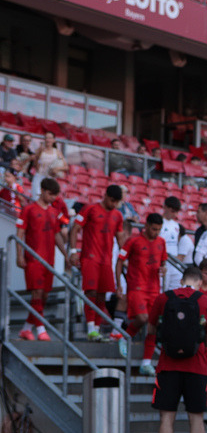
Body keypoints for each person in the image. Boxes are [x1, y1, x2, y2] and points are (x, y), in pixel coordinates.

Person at [148, 265, 207, 433]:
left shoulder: (163, 298)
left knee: (166, 419)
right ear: (199, 281)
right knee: (196, 420)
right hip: (197, 368)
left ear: (181, 280)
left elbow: (152, 331)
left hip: (167, 366)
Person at [69, 184, 126, 340]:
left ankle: (95, 329)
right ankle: (89, 328)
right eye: (112, 200)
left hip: (106, 260)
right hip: (89, 257)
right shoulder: (90, 209)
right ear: (106, 196)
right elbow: (75, 229)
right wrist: (73, 251)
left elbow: (120, 238)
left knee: (102, 294)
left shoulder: (118, 215)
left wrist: (124, 257)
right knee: (91, 292)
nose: (114, 204)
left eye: (116, 202)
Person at [115, 213, 168, 375]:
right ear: (146, 226)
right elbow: (119, 262)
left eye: (159, 230)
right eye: (153, 229)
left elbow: (163, 262)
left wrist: (163, 269)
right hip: (136, 287)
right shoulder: (133, 241)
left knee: (153, 325)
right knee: (142, 318)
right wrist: (119, 285)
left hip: (154, 289)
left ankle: (145, 363)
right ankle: (124, 337)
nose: (156, 233)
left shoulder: (161, 242)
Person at [15, 177, 67, 341]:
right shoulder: (29, 209)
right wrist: (19, 255)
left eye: (55, 196)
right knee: (37, 293)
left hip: (48, 261)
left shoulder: (53, 213)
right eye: (51, 195)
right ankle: (41, 329)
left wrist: (65, 255)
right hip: (34, 258)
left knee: (44, 295)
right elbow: (20, 234)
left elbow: (57, 235)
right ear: (43, 191)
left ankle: (26, 329)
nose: (53, 198)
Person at [29, 133, 69, 199]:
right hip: (40, 177)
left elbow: (66, 167)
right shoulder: (39, 150)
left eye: (50, 138)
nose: (48, 140)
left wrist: (58, 168)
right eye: (46, 138)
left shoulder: (57, 152)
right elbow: (36, 166)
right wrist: (38, 154)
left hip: (51, 179)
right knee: (37, 197)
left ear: (53, 140)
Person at [158, 196, 185, 292]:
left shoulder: (176, 225)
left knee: (176, 290)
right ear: (165, 208)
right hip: (163, 262)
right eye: (173, 211)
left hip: (174, 263)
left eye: (176, 212)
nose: (175, 214)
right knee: (161, 290)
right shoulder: (159, 223)